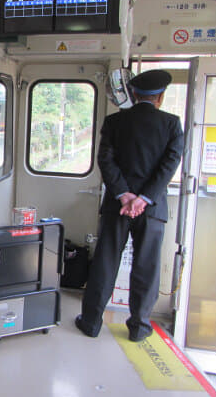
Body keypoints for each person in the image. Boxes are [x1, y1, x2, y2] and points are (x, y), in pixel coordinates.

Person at [75, 69, 184, 342]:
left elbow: (106, 161)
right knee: (146, 266)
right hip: (153, 208)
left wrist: (124, 195)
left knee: (105, 261)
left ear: (134, 95)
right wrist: (144, 198)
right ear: (160, 97)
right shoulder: (172, 124)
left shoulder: (114, 122)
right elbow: (169, 164)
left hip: (117, 206)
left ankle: (90, 323)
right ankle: (138, 327)